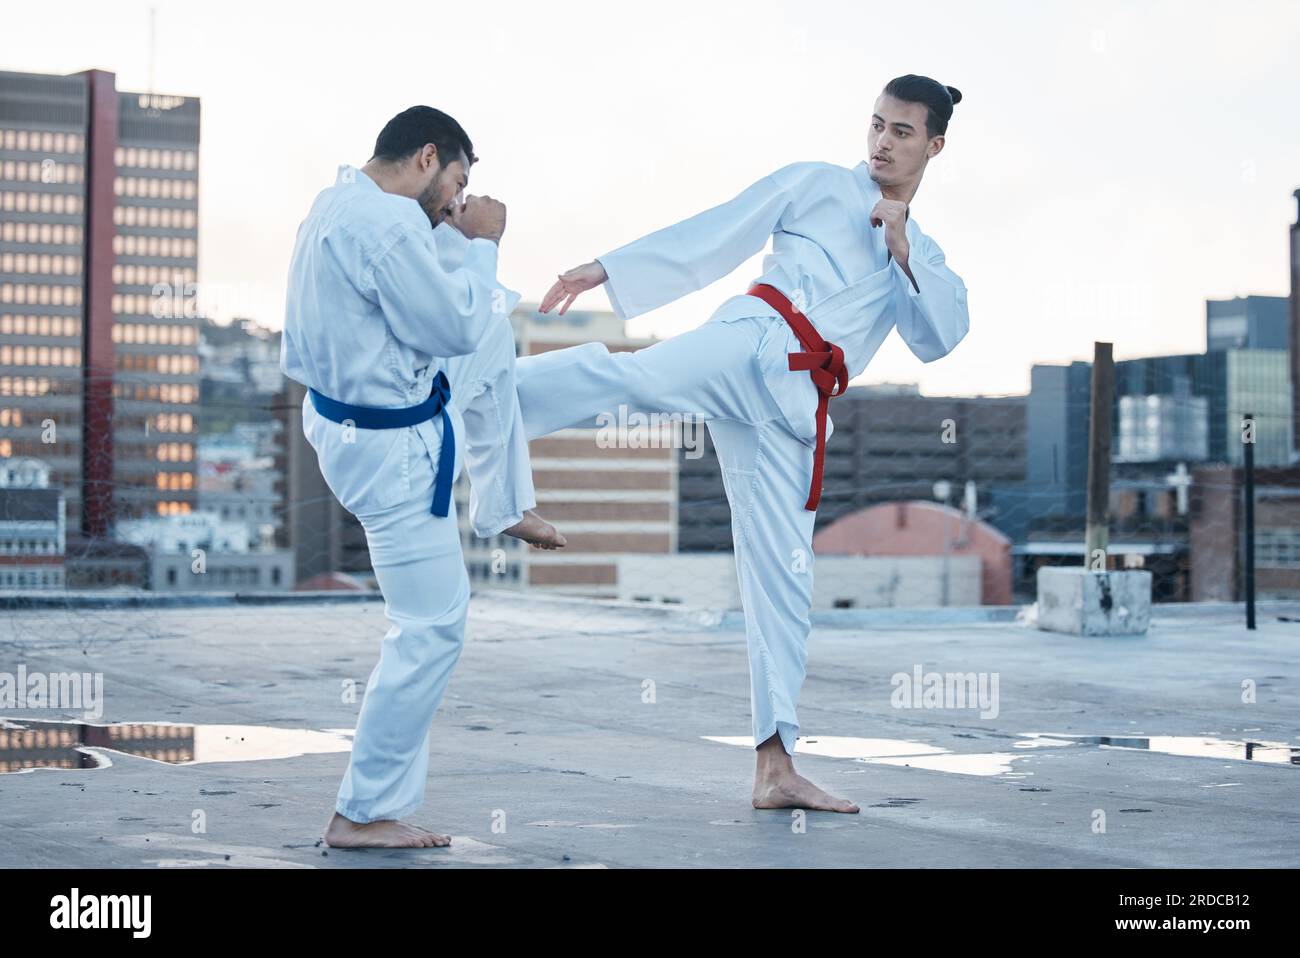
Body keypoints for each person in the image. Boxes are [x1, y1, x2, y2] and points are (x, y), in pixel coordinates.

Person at [516, 75, 970, 813]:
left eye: (903, 132)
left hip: (796, 411)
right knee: (635, 381)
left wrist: (903, 245)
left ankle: (776, 768)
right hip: (750, 344)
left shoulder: (920, 253)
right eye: (877, 125)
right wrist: (612, 267)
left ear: (935, 145)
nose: (883, 142)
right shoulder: (819, 185)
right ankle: (482, 401)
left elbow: (941, 337)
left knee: (784, 582)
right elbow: (721, 230)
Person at [281, 105, 566, 848]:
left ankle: (504, 503)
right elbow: (448, 326)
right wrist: (484, 244)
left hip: (346, 416)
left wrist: (452, 231)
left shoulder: (340, 201)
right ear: (428, 156)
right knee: (432, 625)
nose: (456, 199)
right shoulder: (386, 227)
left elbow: (446, 318)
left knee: (491, 336)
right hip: (389, 449)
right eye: (456, 181)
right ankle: (363, 812)